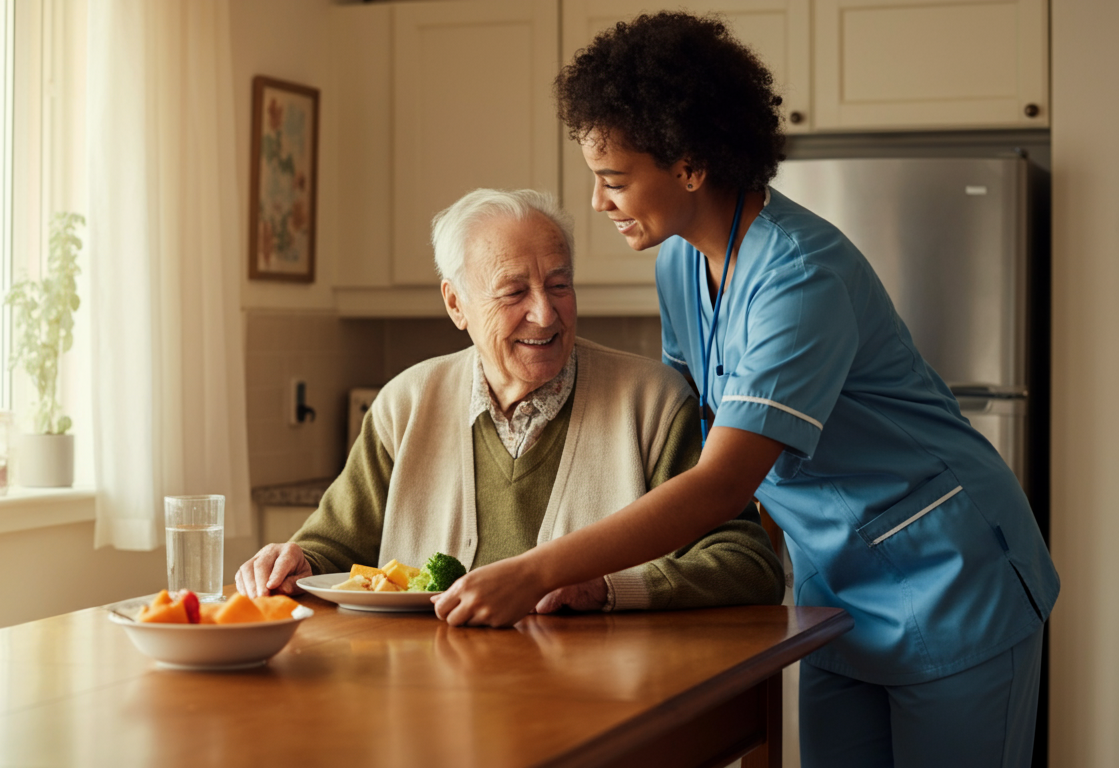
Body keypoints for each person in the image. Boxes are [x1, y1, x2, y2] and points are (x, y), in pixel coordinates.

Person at [431, 13, 1059, 768]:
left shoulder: (799, 275)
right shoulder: (678, 265)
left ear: (690, 166)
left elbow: (723, 478)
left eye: (614, 179)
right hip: (838, 584)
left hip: (953, 576)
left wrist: (537, 567)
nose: (598, 202)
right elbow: (695, 428)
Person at [236, 188, 785, 613]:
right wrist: (291, 561)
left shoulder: (653, 404)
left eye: (560, 285)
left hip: (604, 706)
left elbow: (747, 563)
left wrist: (611, 588)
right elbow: (331, 548)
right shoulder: (405, 404)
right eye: (514, 292)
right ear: (457, 304)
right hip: (428, 707)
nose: (545, 314)